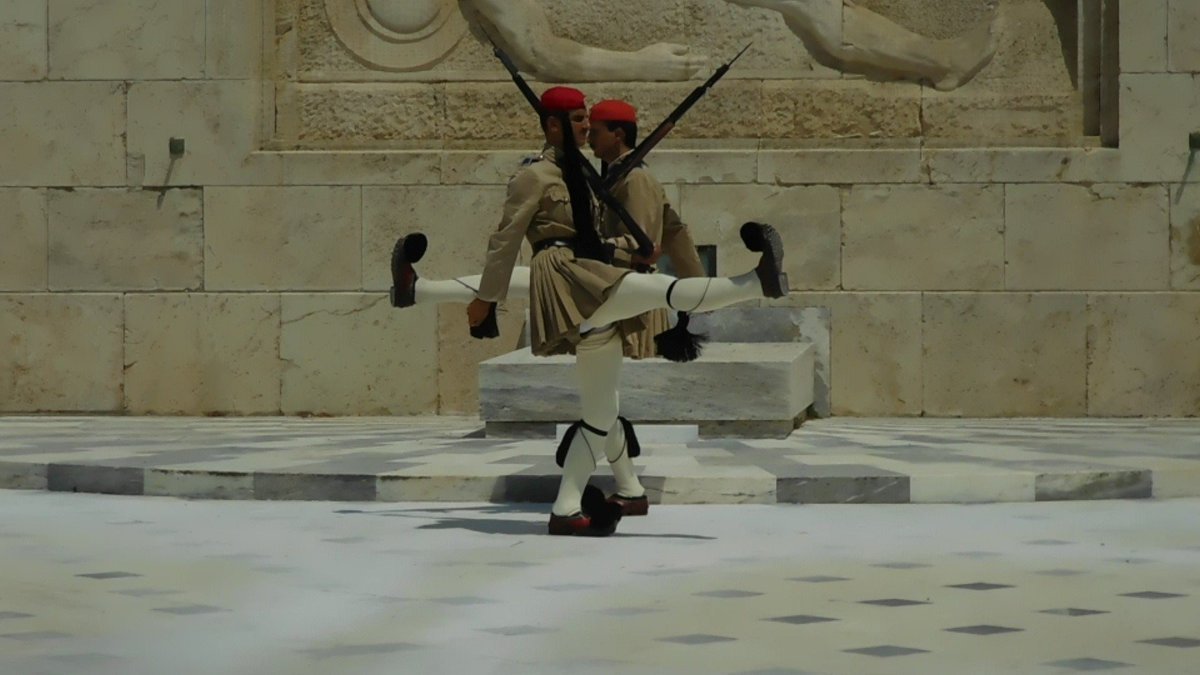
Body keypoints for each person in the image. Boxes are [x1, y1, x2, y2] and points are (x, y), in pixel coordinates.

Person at [389, 86, 791, 536]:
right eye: (580, 121)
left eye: (590, 122)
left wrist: (636, 253)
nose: (587, 128)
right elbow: (505, 243)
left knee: (606, 399)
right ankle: (758, 282)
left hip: (582, 272)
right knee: (658, 297)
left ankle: (416, 290)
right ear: (555, 126)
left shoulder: (584, 174)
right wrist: (486, 300)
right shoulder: (536, 175)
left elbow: (655, 233)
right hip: (570, 275)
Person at [588, 98, 707, 361]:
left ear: (617, 134)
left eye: (595, 132)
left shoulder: (636, 180)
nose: (589, 139)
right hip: (621, 292)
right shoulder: (618, 176)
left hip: (634, 298)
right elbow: (676, 232)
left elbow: (639, 246)